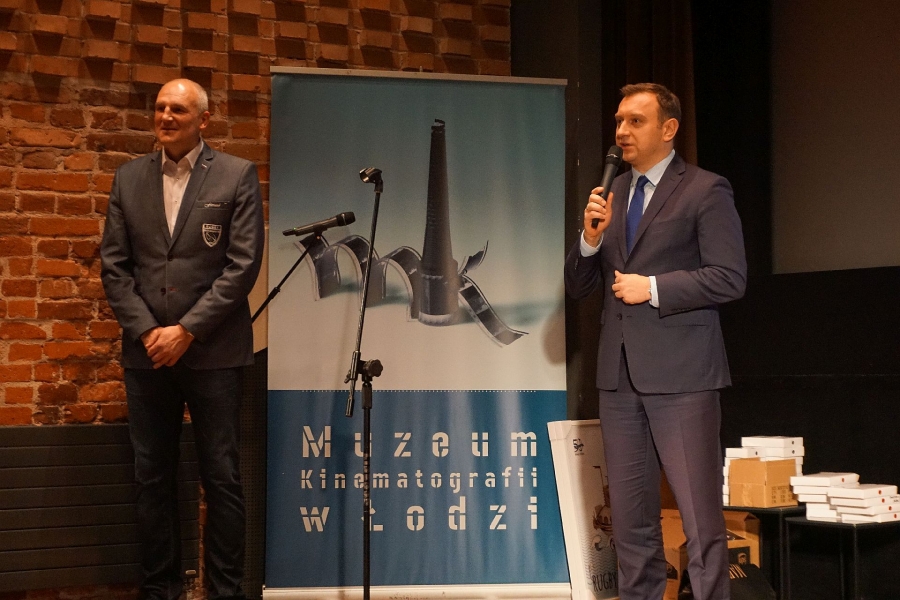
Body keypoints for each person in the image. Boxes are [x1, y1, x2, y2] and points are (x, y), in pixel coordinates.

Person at [564, 83, 747, 600]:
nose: (621, 131)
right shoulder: (613, 193)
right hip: (619, 378)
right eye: (619, 121)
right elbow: (577, 286)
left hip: (684, 377)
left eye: (635, 121)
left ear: (669, 129)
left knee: (700, 523)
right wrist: (589, 239)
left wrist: (655, 288)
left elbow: (730, 277)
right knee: (630, 525)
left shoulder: (705, 190)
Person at [101, 79, 265, 600]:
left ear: (203, 119)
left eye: (177, 109)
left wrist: (188, 330)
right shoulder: (128, 178)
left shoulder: (237, 174)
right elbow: (114, 267)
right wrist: (150, 331)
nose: (165, 116)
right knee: (152, 477)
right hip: (147, 353)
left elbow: (242, 266)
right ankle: (161, 590)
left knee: (221, 477)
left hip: (214, 352)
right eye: (160, 108)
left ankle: (224, 591)